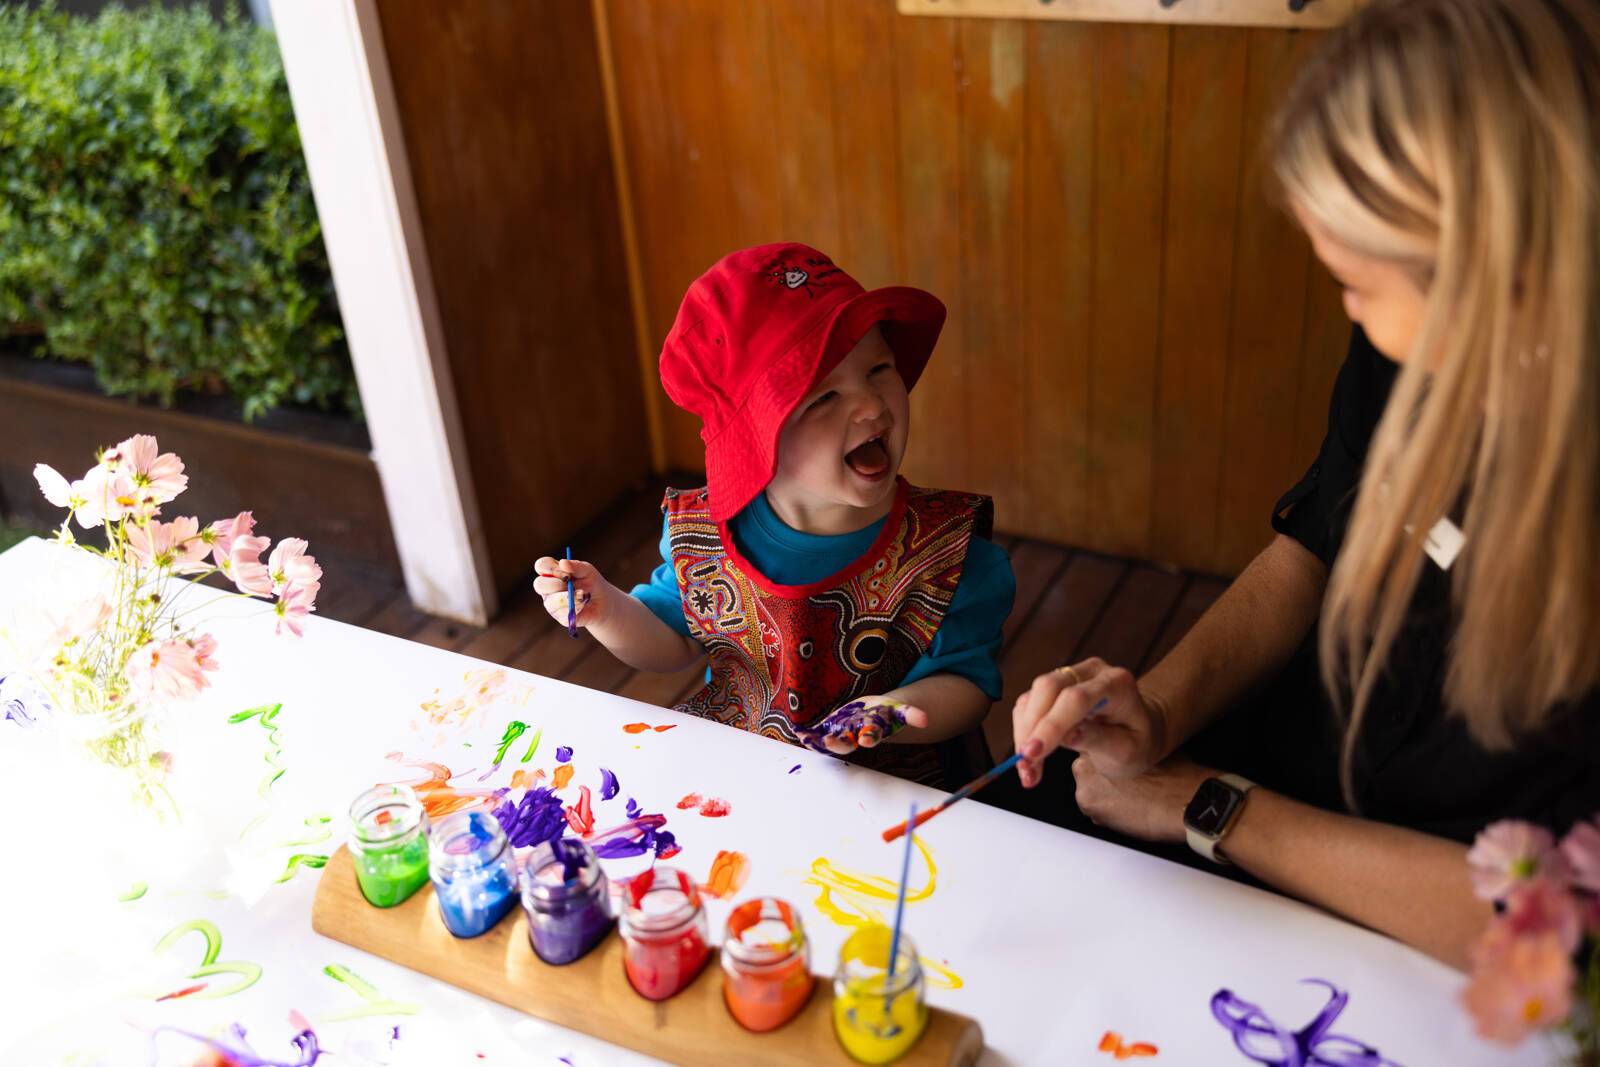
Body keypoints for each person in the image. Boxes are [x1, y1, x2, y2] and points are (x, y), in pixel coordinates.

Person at [1012, 0, 1600, 969]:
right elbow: (1315, 544)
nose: (1348, 308)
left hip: (1434, 917)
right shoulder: (1406, 351)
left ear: (1485, 266)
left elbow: (1559, 927)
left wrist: (1211, 806)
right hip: (1290, 763)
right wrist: (1152, 715)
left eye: (1361, 281)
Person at [535, 243, 1015, 787]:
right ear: (754, 443)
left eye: (879, 368)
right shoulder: (706, 536)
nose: (873, 406)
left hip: (895, 797)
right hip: (746, 782)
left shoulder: (947, 555)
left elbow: (967, 686)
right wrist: (605, 610)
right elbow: (671, 641)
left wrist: (891, 712)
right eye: (822, 398)